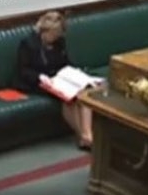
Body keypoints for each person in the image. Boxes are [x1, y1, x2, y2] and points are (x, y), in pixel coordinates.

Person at [14, 10, 94, 150]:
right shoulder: (28, 43)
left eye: (58, 34)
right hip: (38, 82)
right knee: (69, 99)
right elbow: (23, 71)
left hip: (59, 78)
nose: (55, 37)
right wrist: (40, 77)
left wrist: (76, 72)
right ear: (44, 31)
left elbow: (65, 62)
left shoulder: (59, 42)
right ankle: (84, 135)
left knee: (84, 92)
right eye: (53, 34)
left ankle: (87, 135)